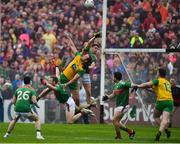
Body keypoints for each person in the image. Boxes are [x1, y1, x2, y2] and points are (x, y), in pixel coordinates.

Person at [56, 33, 100, 106]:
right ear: (91, 48)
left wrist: (89, 67)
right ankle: (73, 103)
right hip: (76, 72)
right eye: (95, 48)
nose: (96, 50)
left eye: (97, 49)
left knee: (88, 92)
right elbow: (72, 46)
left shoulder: (94, 57)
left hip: (84, 73)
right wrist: (68, 37)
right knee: (74, 89)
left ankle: (88, 105)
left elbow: (92, 65)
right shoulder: (82, 53)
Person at [137, 68, 173, 141]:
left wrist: (138, 86)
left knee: (156, 116)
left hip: (161, 101)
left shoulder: (158, 80)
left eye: (157, 73)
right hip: (169, 101)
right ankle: (162, 131)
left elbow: (147, 84)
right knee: (165, 119)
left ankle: (164, 131)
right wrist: (146, 88)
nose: (156, 74)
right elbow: (154, 90)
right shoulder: (167, 82)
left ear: (159, 74)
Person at [3, 76, 44, 140]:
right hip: (25, 110)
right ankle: (38, 135)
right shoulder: (32, 91)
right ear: (30, 82)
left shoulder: (18, 90)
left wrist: (18, 106)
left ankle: (7, 134)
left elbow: (13, 101)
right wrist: (37, 105)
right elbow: (34, 101)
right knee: (37, 119)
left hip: (17, 109)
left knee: (14, 120)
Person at [102, 72, 136, 140]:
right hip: (118, 106)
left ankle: (119, 136)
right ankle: (130, 132)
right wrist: (107, 97)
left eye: (113, 76)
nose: (112, 78)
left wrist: (136, 86)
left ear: (115, 77)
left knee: (114, 120)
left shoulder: (122, 83)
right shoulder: (116, 85)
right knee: (116, 122)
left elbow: (132, 85)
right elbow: (113, 95)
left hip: (123, 106)